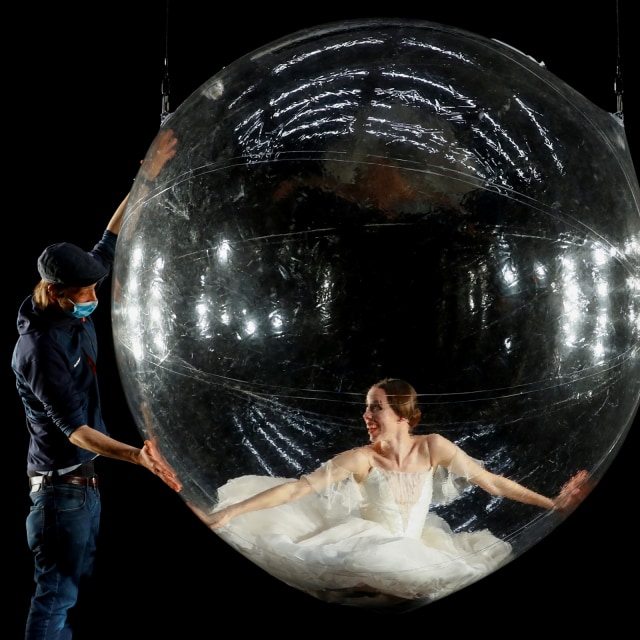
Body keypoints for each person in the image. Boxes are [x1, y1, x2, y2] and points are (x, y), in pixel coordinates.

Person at [190, 377, 589, 608]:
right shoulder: (362, 458)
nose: (366, 415)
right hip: (370, 543)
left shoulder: (433, 446)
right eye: (366, 407)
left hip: (417, 547)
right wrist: (228, 513)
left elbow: (492, 482)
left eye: (375, 407)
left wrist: (552, 503)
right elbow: (298, 490)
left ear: (402, 414)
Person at [13, 128, 181, 639]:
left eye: (94, 285)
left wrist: (146, 177)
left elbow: (111, 236)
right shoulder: (41, 348)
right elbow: (78, 432)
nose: (95, 294)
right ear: (57, 291)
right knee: (54, 601)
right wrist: (139, 458)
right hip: (62, 493)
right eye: (85, 290)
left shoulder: (75, 287)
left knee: (66, 597)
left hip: (80, 492)